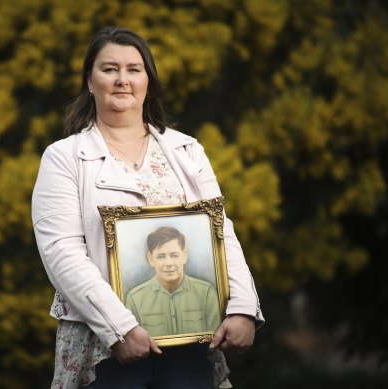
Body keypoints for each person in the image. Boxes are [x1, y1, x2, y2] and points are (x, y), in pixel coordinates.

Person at [32, 26, 264, 389]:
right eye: (109, 69)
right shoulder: (63, 158)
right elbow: (61, 253)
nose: (122, 79)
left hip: (192, 347)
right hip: (105, 352)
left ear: (148, 83)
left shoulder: (187, 151)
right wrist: (120, 329)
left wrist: (243, 308)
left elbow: (221, 233)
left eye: (133, 69)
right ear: (90, 82)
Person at [124, 227, 221, 337]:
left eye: (174, 255)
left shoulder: (206, 293)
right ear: (150, 259)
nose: (169, 263)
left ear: (184, 256)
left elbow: (215, 340)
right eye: (161, 257)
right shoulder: (134, 299)